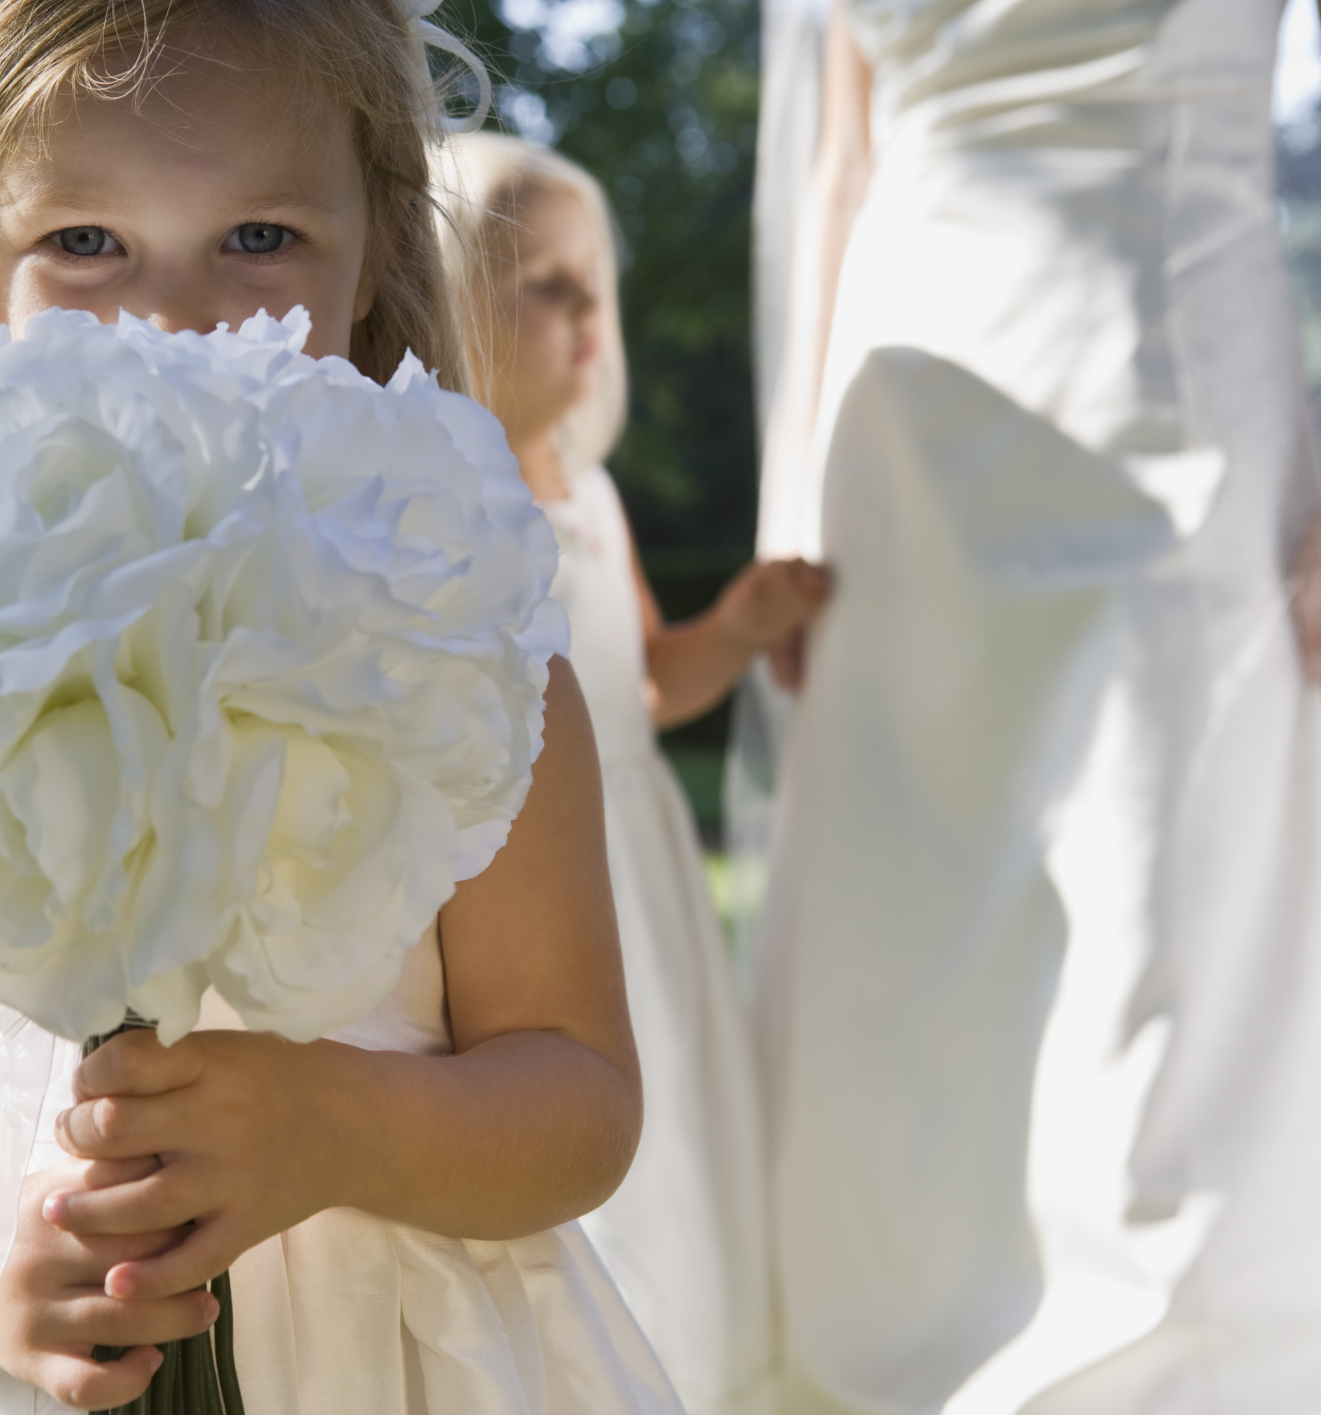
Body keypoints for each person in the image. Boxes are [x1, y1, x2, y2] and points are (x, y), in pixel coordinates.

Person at [0, 1, 684, 1412]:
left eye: (258, 240)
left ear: (372, 248)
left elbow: (577, 1094)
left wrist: (347, 1123)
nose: (173, 320)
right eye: (83, 244)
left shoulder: (459, 615)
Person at [752, 0, 1321, 1410]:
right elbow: (836, 164)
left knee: (1160, 911)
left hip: (1163, 381)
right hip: (899, 425)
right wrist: (790, 503)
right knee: (912, 935)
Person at [437, 134, 827, 1415]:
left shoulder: (588, 493)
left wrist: (738, 626)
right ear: (453, 299)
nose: (588, 314)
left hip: (642, 864)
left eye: (593, 283)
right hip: (549, 877)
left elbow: (648, 681)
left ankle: (701, 1364)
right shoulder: (443, 499)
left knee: (673, 1117)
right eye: (546, 284)